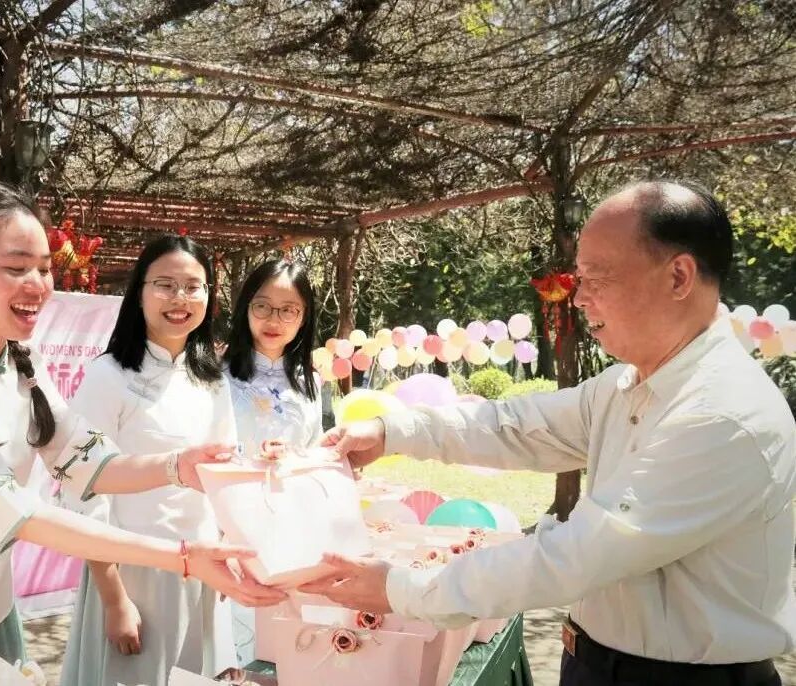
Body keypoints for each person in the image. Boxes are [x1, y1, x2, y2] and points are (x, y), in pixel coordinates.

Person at [303, 181, 795, 686]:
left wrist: (403, 590)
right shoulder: (629, 384)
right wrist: (392, 432)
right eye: (579, 279)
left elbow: (576, 556)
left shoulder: (721, 415)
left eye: (597, 279)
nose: (580, 299)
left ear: (678, 276)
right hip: (600, 663)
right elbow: (516, 428)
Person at [0, 184, 286, 685]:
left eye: (44, 268)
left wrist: (179, 467)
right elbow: (17, 513)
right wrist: (182, 559)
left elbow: (91, 462)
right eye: (16, 268)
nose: (37, 285)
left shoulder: (23, 366)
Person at [62, 236, 241, 686]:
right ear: (139, 293)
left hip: (202, 568)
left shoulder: (213, 380)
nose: (180, 298)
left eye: (193, 286)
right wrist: (114, 598)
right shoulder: (108, 375)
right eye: (164, 284)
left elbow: (227, 476)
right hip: (134, 573)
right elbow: (82, 490)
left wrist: (229, 553)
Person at [222, 258, 321, 466]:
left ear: (304, 318)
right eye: (262, 306)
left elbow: (314, 450)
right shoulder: (217, 376)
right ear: (246, 308)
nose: (273, 321)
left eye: (288, 310)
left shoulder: (309, 380)